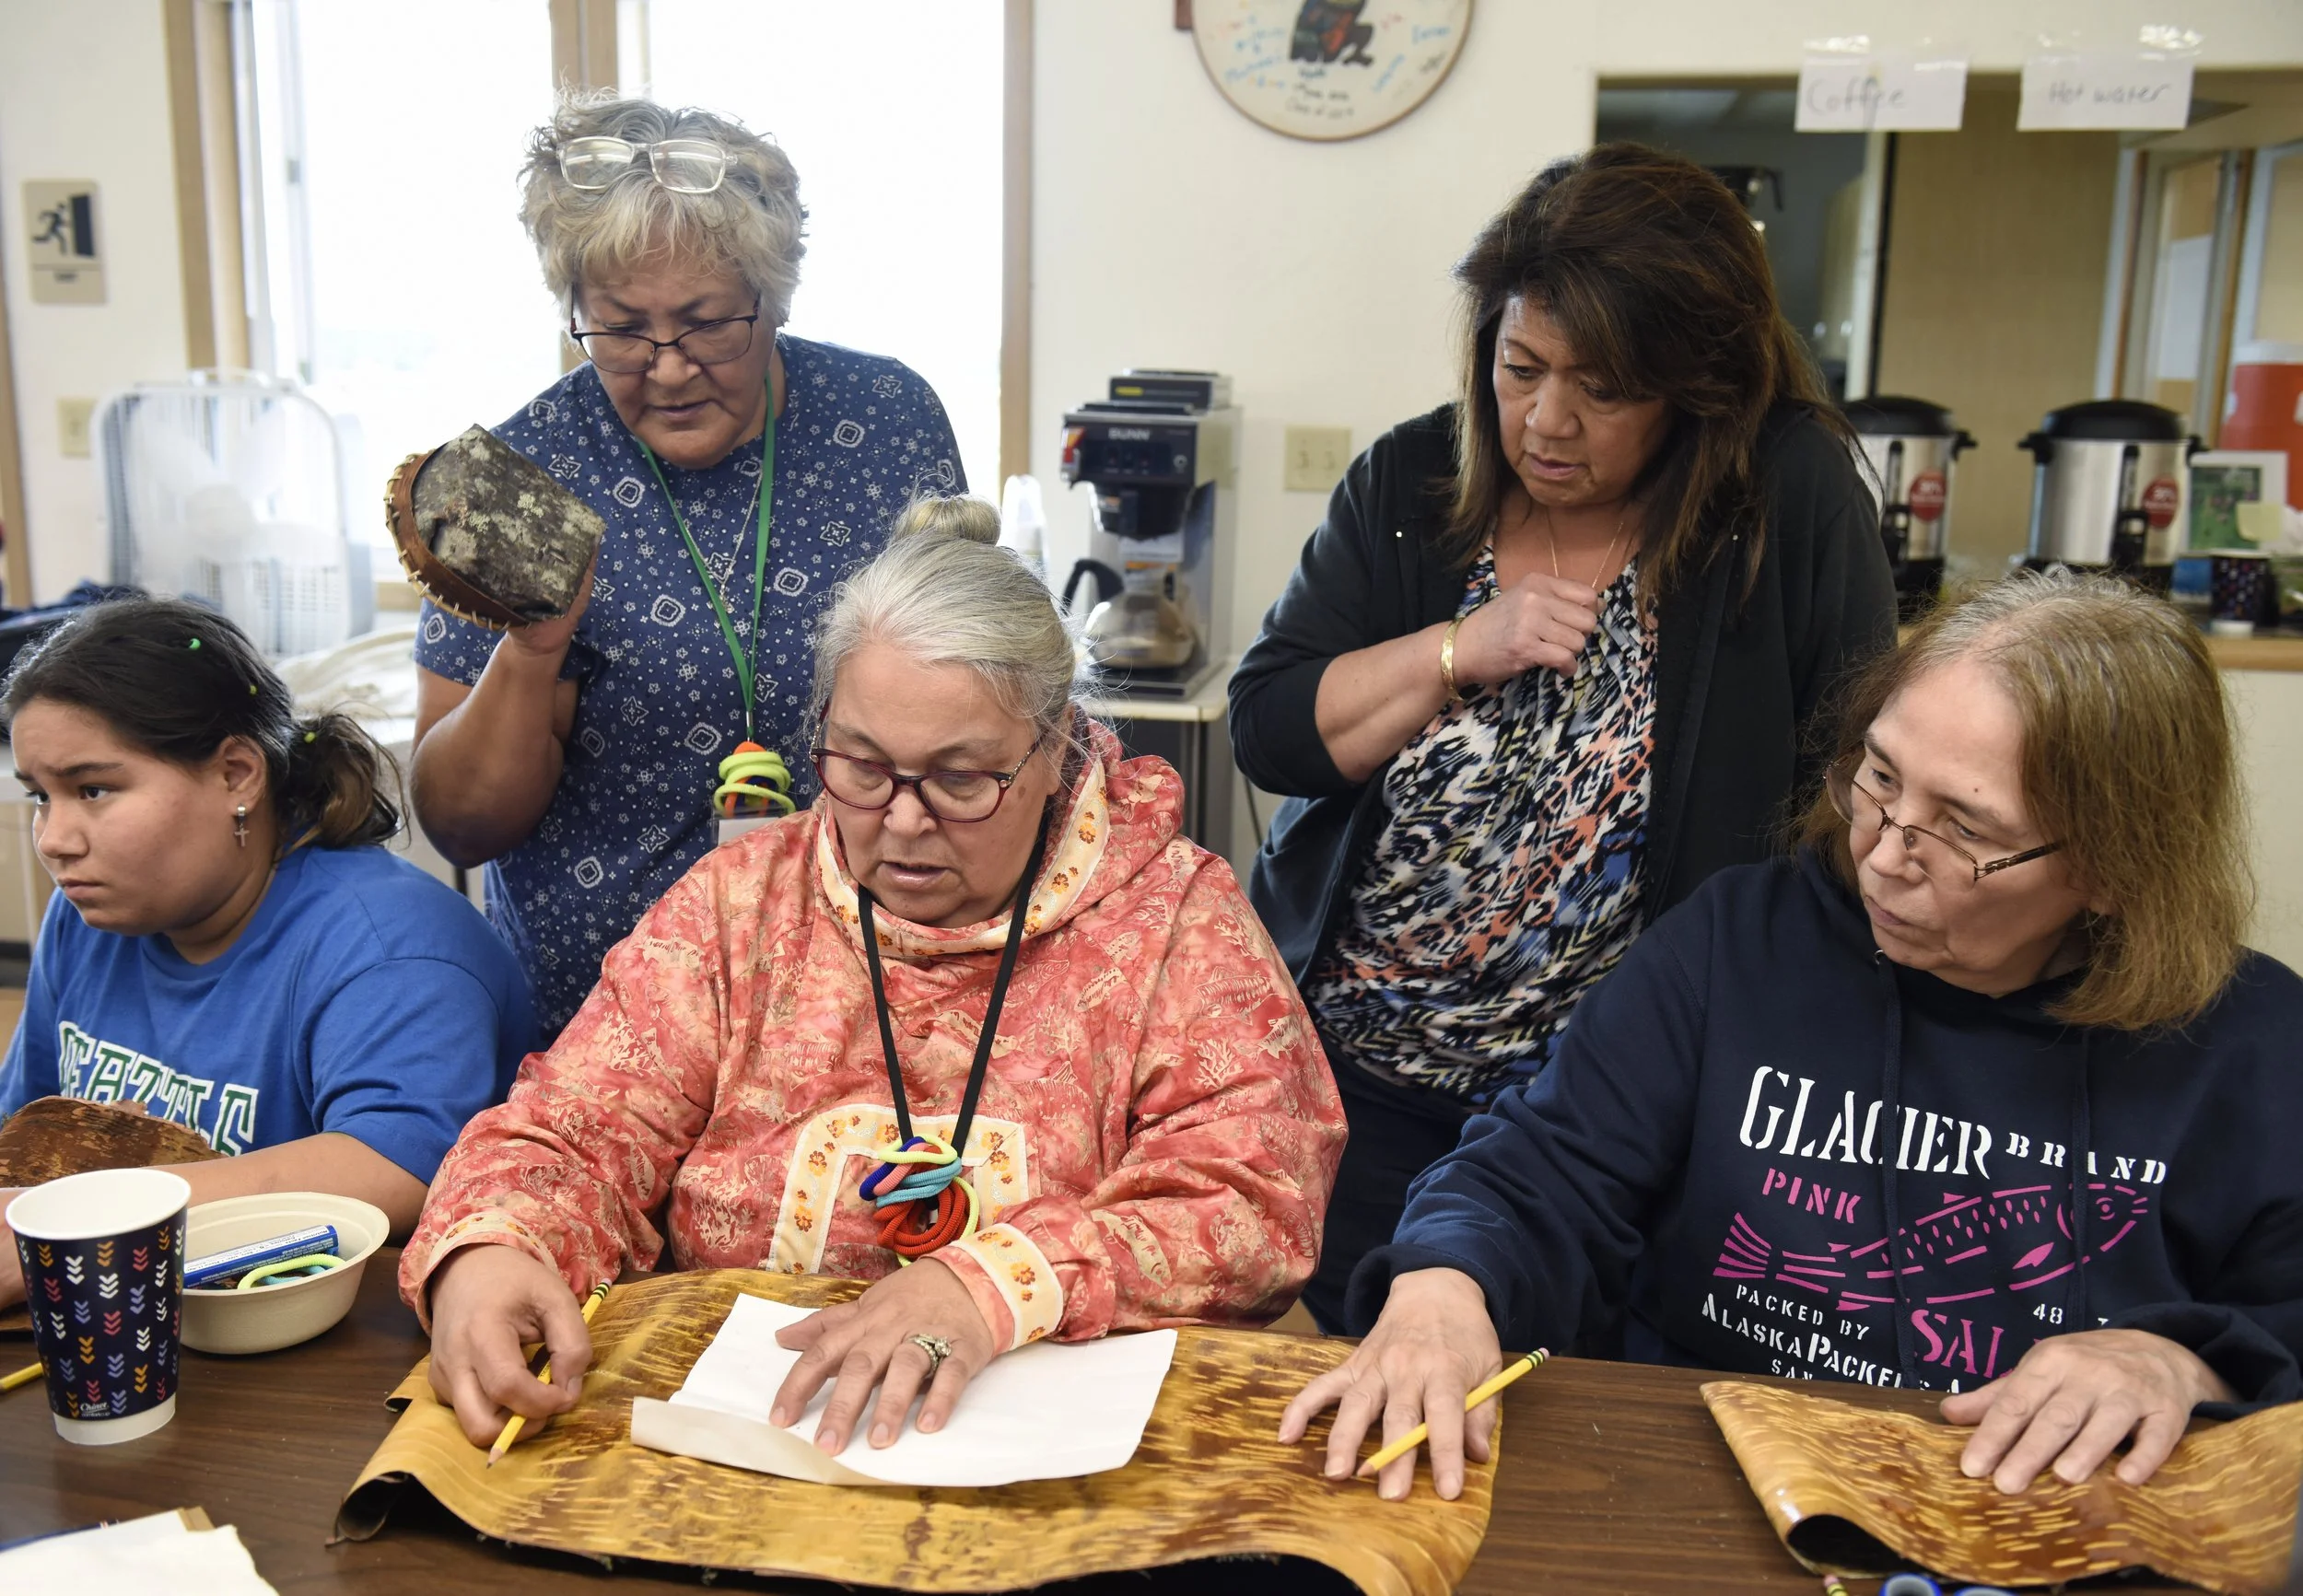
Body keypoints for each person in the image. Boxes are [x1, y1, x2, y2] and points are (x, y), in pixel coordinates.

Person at [1283, 569, 2303, 1501]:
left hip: (2039, 1523)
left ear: (2116, 869)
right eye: (1881, 776)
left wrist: (2185, 1360)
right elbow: (1535, 1173)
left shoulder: (2252, 1047)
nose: (1883, 854)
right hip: (1699, 1489)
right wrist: (1442, 1288)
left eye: (1965, 828)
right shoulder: (1742, 939)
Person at [403, 498, 1344, 1457]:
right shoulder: (740, 906)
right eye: (860, 765)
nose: (901, 822)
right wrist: (491, 1249)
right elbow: (572, 1130)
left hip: (1059, 1474)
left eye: (961, 778)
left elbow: (1251, 1199)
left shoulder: (1173, 918)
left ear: (1057, 746)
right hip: (752, 1448)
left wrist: (993, 1283)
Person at [1228, 144, 1896, 1331]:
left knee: (1555, 1420)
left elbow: (1844, 787)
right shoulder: (1413, 479)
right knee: (1344, 1382)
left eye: (1602, 388)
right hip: (1358, 1076)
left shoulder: (1780, 499)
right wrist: (1456, 648)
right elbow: (1273, 730)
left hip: (1599, 1114)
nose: (1546, 419)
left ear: (1695, 388)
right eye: (1519, 367)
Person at [411, 94, 966, 1038]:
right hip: (609, 1005)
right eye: (622, 329)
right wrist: (533, 648)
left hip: (865, 977)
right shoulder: (518, 477)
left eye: (709, 324)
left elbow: (965, 679)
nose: (668, 368)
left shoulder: (885, 418)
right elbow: (461, 825)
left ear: (774, 297)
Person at [0, 598, 536, 1306]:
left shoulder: (394, 948)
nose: (54, 839)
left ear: (236, 775)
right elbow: (25, 1133)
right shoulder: (88, 919)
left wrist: (80, 1223)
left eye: (93, 789)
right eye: (41, 795)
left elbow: (397, 1168)